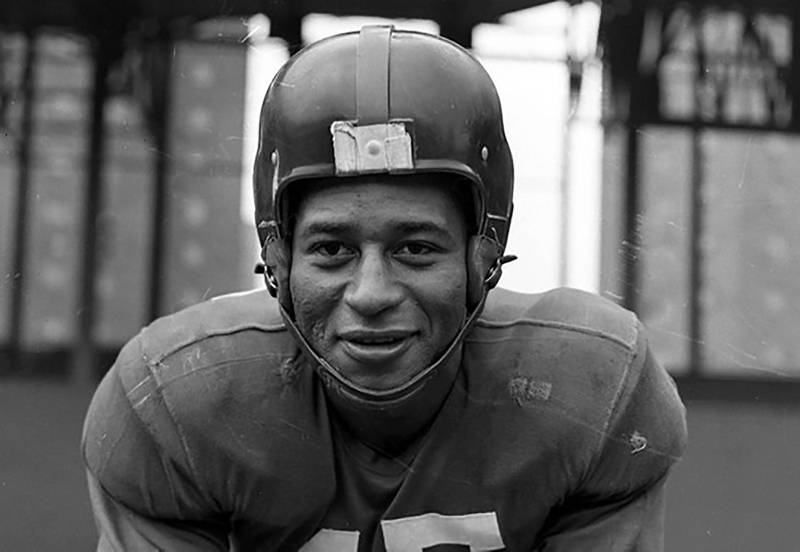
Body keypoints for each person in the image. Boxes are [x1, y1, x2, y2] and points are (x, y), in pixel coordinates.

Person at [82, 25, 687, 551]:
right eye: (332, 250)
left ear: (483, 254)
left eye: (415, 249)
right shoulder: (179, 403)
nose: (370, 293)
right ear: (279, 256)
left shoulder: (593, 393)